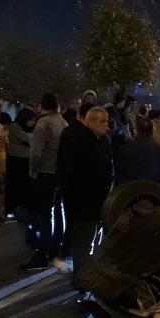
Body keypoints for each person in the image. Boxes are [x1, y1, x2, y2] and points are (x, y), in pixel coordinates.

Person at [58, 106, 112, 280]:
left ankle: (83, 275)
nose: (106, 125)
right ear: (91, 121)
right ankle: (81, 278)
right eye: (102, 121)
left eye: (106, 120)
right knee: (83, 240)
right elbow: (77, 173)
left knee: (86, 239)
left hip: (93, 201)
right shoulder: (82, 141)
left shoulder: (100, 140)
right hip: (84, 201)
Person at [23, 93, 68, 271]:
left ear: (42, 106)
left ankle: (41, 253)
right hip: (59, 174)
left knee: (42, 215)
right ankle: (54, 250)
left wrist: (32, 172)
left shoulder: (43, 124)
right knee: (57, 214)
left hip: (45, 173)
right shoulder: (63, 122)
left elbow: (36, 152)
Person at [115, 116, 160, 187]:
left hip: (131, 193)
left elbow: (119, 176)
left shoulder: (123, 150)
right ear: (152, 131)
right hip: (155, 192)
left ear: (136, 130)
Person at [6, 107, 35, 221]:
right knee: (16, 186)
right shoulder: (14, 127)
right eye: (31, 120)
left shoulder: (27, 129)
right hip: (16, 160)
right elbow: (26, 138)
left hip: (25, 160)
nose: (33, 123)